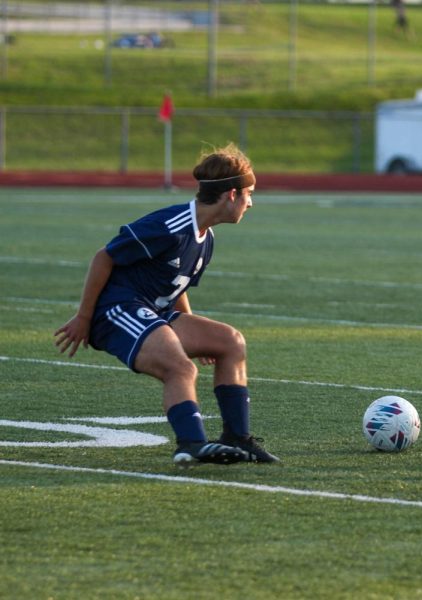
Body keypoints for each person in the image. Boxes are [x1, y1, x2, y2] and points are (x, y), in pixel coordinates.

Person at [54, 143, 279, 466]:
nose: (251, 203)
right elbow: (104, 257)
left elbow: (177, 286)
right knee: (181, 368)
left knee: (230, 342)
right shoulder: (170, 226)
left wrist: (192, 332)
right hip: (117, 310)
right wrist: (84, 317)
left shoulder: (206, 237)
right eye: (250, 194)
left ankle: (237, 437)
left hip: (155, 311)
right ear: (231, 195)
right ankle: (190, 444)